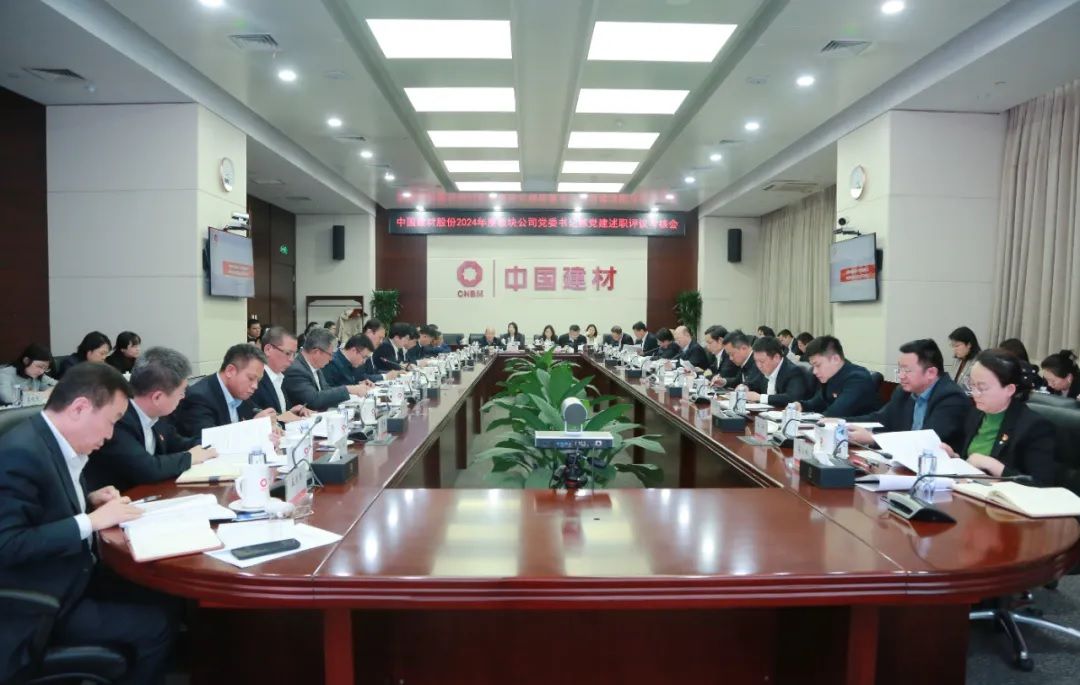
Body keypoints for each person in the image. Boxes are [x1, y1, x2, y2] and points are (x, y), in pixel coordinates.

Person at [0, 363, 176, 684]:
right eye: (111, 422)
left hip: (75, 574)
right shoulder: (19, 453)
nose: (110, 435)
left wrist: (89, 499)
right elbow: (7, 545)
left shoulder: (51, 441)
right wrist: (90, 520)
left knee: (164, 595)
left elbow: (44, 506)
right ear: (80, 408)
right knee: (156, 626)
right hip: (43, 601)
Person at [84, 347, 217, 493]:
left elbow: (178, 443)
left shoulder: (156, 415)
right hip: (118, 498)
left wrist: (210, 444)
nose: (183, 396)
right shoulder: (118, 419)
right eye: (181, 392)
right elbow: (147, 468)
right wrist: (189, 458)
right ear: (157, 397)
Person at [940, 349, 1056, 486]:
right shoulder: (975, 413)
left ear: (1009, 390)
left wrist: (994, 466)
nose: (975, 393)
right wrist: (954, 457)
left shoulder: (1034, 427)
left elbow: (1042, 483)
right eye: (972, 385)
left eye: (982, 388)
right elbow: (971, 461)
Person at [846, 339, 970, 451]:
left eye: (907, 370)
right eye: (900, 369)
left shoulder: (952, 398)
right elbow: (880, 419)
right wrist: (840, 422)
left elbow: (927, 442)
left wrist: (873, 438)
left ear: (931, 373)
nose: (901, 376)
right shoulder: (903, 392)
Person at [173, 344, 275, 436]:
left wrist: (270, 426)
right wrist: (252, 427)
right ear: (230, 371)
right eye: (251, 378)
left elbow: (257, 414)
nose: (255, 386)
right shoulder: (198, 398)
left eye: (258, 380)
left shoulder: (241, 393)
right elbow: (208, 442)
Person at [283, 328, 369, 411]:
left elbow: (326, 390)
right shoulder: (296, 370)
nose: (331, 359)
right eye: (330, 354)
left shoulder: (316, 367)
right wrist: (348, 389)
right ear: (316, 352)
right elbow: (314, 400)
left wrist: (351, 390)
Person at [792, 336, 879, 418]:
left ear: (835, 359)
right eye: (813, 366)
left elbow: (834, 414)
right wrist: (801, 405)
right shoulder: (831, 376)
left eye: (818, 365)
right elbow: (817, 403)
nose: (814, 371)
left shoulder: (858, 379)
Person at [251, 327, 316, 420]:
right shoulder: (255, 381)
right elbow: (260, 418)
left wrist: (290, 413)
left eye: (294, 354)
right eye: (288, 353)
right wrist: (283, 417)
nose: (292, 360)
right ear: (268, 349)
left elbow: (278, 414)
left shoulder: (280, 377)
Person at [745, 336, 813, 408]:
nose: (759, 365)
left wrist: (760, 398)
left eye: (762, 361)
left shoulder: (793, 371)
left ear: (776, 358)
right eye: (756, 361)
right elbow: (752, 383)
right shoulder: (764, 369)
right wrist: (745, 387)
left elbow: (792, 398)